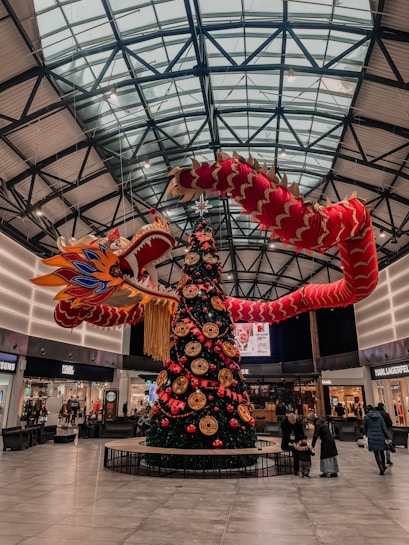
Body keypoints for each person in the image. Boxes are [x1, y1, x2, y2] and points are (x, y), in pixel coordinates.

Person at [363, 404, 390, 475]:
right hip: (381, 436)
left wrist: (365, 434)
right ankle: (383, 465)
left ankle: (380, 467)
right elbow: (384, 428)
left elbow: (365, 427)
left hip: (371, 436)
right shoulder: (380, 417)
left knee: (376, 453)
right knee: (382, 451)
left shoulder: (366, 417)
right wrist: (387, 437)